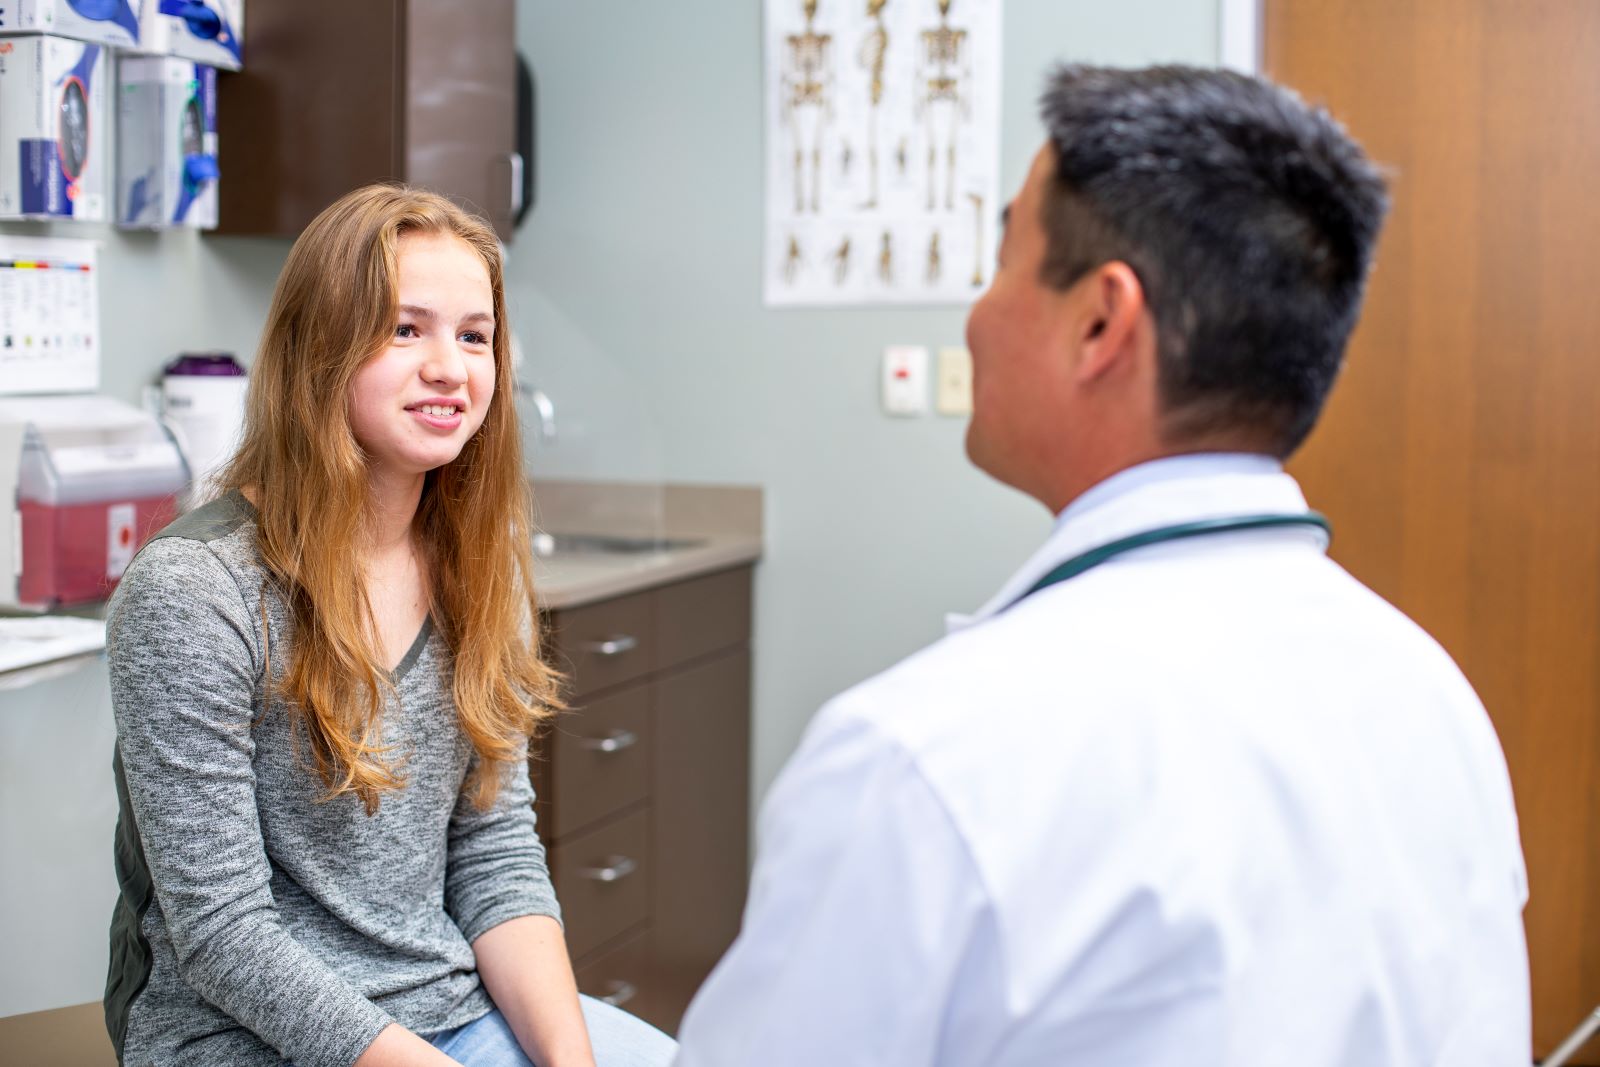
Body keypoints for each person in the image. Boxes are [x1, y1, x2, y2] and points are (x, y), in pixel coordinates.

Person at [673, 65, 1530, 1065]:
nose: (976, 313)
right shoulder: (1431, 692)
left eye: (1000, 257)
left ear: (1099, 322)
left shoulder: (923, 759)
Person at [103, 186, 678, 1067]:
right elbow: (223, 935)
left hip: (441, 1004)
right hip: (236, 1035)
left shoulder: (480, 574)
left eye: (475, 335)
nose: (452, 367)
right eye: (406, 329)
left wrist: (572, 1064)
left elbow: (495, 855)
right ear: (318, 350)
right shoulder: (195, 589)